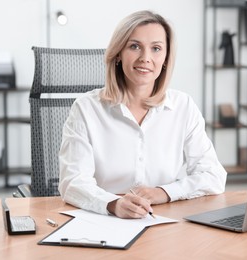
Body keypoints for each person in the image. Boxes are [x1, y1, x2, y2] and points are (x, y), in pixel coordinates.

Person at [58, 10, 227, 219]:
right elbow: (72, 182)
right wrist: (113, 204)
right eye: (134, 46)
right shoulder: (86, 108)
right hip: (103, 220)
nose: (146, 58)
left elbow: (213, 176)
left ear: (165, 58)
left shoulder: (183, 106)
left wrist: (164, 192)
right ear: (118, 53)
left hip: (163, 221)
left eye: (156, 48)